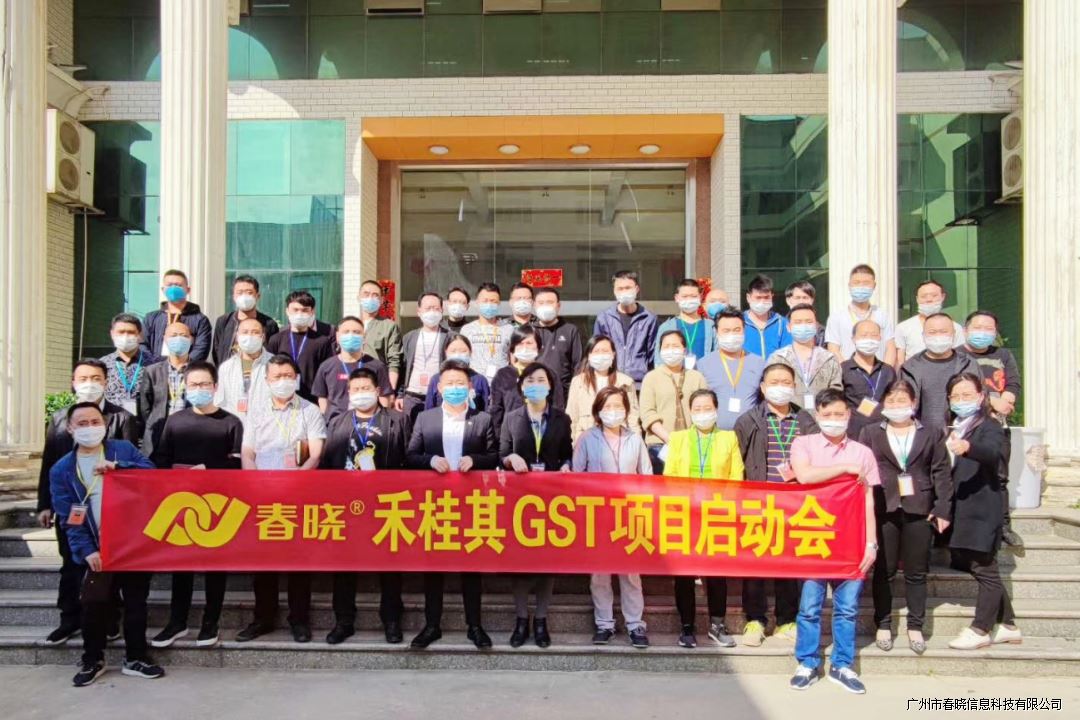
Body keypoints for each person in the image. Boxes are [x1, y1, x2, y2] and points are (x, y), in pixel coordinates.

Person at [50, 402, 161, 686]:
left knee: (136, 603)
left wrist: (120, 468)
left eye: (95, 422)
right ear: (70, 428)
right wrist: (87, 550)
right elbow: (69, 518)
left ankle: (136, 658)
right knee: (94, 605)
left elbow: (152, 475)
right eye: (82, 423)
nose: (90, 428)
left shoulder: (122, 450)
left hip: (131, 545)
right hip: (96, 548)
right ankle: (92, 659)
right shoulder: (62, 470)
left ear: (104, 423)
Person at [37, 360, 137, 646]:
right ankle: (69, 619)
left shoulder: (121, 417)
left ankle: (109, 619)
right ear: (73, 382)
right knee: (71, 563)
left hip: (110, 509)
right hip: (71, 505)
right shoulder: (60, 418)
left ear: (106, 382)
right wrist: (44, 503)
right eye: (83, 378)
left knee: (109, 564)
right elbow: (49, 462)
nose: (89, 383)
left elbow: (133, 465)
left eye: (95, 378)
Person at [788, 388, 879, 695]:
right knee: (809, 607)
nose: (834, 419)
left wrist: (871, 543)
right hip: (814, 538)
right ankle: (807, 662)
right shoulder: (804, 444)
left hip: (851, 541)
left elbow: (868, 500)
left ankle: (842, 665)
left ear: (849, 415)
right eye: (827, 415)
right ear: (817, 416)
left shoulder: (863, 452)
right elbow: (804, 476)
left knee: (848, 608)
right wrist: (843, 468)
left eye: (840, 414)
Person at [405, 360, 499, 649]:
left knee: (471, 567)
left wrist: (476, 460)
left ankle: (475, 626)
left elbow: (494, 455)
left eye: (461, 383)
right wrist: (430, 460)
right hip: (436, 503)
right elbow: (410, 455)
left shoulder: (482, 419)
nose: (455, 388)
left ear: (470, 387)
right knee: (433, 566)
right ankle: (432, 625)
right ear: (439, 387)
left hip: (471, 503)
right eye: (449, 383)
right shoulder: (426, 418)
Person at [149, 362, 244, 650]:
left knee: (215, 567)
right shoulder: (174, 421)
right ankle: (177, 622)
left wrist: (209, 470)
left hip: (219, 505)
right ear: (185, 388)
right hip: (181, 503)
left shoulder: (231, 422)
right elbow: (161, 459)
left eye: (204, 384)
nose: (199, 389)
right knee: (182, 566)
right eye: (193, 385)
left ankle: (210, 622)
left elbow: (238, 465)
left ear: (215, 387)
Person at [237, 355, 327, 644]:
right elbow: (248, 452)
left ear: (297, 378)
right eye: (276, 377)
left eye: (288, 376)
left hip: (299, 494)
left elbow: (315, 454)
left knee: (299, 561)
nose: (282, 381)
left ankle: (299, 620)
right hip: (263, 495)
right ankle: (263, 618)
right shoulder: (256, 411)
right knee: (263, 561)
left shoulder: (309, 410)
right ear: (267, 381)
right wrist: (255, 482)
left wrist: (295, 480)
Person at [857, 379, 951, 655]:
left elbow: (941, 472)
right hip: (883, 508)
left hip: (919, 507)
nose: (897, 405)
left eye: (902, 400)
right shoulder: (870, 432)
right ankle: (883, 623)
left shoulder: (931, 433)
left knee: (916, 572)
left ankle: (915, 625)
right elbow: (861, 469)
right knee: (883, 571)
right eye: (891, 400)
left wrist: (943, 507)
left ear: (914, 403)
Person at [321, 367, 410, 645]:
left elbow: (407, 458)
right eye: (356, 389)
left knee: (390, 564)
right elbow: (328, 462)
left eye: (366, 389)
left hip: (387, 503)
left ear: (377, 391)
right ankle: (343, 621)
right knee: (344, 564)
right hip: (347, 503)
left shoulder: (396, 420)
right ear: (348, 393)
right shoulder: (338, 422)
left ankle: (392, 619)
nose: (361, 394)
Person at [734, 363, 817, 646]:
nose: (780, 387)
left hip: (794, 504)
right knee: (754, 564)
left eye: (786, 382)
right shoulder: (748, 420)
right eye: (774, 382)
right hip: (757, 503)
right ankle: (755, 620)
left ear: (794, 386)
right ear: (763, 387)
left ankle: (786, 620)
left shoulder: (805, 421)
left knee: (788, 565)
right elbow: (738, 461)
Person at [944, 373, 1022, 650]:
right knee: (975, 565)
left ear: (980, 397)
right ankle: (1008, 625)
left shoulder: (988, 425)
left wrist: (969, 448)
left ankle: (981, 628)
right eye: (955, 396)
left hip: (982, 507)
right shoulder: (955, 426)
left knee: (984, 568)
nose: (961, 400)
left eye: (967, 395)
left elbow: (992, 453)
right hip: (962, 506)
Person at [498, 363, 573, 648]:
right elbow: (502, 453)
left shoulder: (561, 419)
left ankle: (541, 620)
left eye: (541, 380)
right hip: (520, 501)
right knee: (520, 563)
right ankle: (521, 619)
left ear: (550, 386)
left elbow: (567, 453)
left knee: (547, 563)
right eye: (530, 380)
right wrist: (510, 459)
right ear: (521, 387)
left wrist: (566, 465)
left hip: (552, 501)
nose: (536, 385)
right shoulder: (511, 418)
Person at [663, 389, 744, 649]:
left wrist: (721, 506)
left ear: (716, 409)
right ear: (690, 412)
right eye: (697, 409)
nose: (702, 413)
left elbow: (736, 477)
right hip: (685, 515)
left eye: (707, 408)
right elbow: (669, 477)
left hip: (717, 514)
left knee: (716, 573)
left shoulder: (728, 438)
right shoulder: (678, 439)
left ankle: (717, 624)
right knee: (684, 573)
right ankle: (687, 626)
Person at [572, 385, 652, 649]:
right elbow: (576, 477)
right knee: (600, 573)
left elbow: (647, 476)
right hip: (597, 515)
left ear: (626, 410)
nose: (613, 411)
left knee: (631, 573)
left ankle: (635, 624)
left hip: (629, 515)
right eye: (608, 406)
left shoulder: (635, 440)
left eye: (618, 406)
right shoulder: (587, 439)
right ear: (598, 411)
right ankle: (604, 623)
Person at [963, 310, 1023, 547]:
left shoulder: (1003, 355)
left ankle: (1003, 525)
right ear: (966, 330)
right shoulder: (957, 355)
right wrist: (991, 401)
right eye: (977, 327)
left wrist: (1007, 399)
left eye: (988, 329)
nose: (983, 333)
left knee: (1000, 476)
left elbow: (1013, 383)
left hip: (997, 425)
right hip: (967, 425)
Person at [639, 330, 709, 473]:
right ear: (660, 351)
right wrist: (670, 439)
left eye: (675, 346)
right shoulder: (651, 378)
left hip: (692, 443)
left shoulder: (697, 377)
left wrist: (688, 440)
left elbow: (705, 408)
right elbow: (647, 413)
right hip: (659, 444)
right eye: (666, 346)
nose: (671, 350)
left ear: (684, 350)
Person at [899, 313, 979, 430]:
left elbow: (981, 399)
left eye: (944, 332)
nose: (938, 336)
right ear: (923, 335)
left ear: (954, 334)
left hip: (964, 433)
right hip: (922, 435)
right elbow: (905, 406)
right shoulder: (910, 368)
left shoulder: (968, 363)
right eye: (932, 332)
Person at [312, 316, 393, 423]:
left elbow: (384, 396)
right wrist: (326, 419)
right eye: (346, 332)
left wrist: (381, 422)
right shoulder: (326, 366)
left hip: (369, 424)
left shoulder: (377, 366)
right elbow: (322, 397)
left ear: (364, 336)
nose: (351, 336)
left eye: (356, 332)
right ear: (337, 336)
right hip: (335, 424)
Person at [697, 310, 766, 430]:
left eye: (736, 330)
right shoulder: (703, 364)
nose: (732, 335)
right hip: (716, 434)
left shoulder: (759, 363)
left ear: (744, 331)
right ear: (717, 332)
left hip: (751, 434)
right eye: (726, 330)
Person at [767, 304, 842, 414]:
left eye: (808, 322)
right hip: (789, 419)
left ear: (816, 326)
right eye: (798, 322)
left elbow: (836, 394)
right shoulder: (777, 358)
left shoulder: (829, 359)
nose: (803, 326)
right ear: (788, 327)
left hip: (821, 420)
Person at [488, 325, 565, 432]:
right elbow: (496, 410)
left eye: (529, 343)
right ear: (513, 348)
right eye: (520, 344)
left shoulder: (549, 374)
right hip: (512, 435)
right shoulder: (503, 375)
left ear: (538, 346)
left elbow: (558, 407)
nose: (525, 348)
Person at [565, 335, 641, 441]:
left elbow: (633, 418)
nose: (601, 355)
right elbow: (572, 417)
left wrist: (636, 442)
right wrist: (573, 444)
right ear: (589, 355)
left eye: (605, 351)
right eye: (596, 351)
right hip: (586, 441)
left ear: (613, 354)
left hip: (619, 441)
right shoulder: (578, 382)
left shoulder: (626, 382)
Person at [265, 290, 335, 403]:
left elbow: (327, 374)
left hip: (312, 401)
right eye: (295, 310)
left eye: (304, 310)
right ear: (287, 311)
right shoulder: (276, 339)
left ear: (312, 312)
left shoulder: (322, 341)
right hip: (281, 398)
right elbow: (268, 369)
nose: (299, 314)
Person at [137, 322, 194, 458]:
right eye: (173, 335)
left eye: (183, 335)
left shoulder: (201, 369)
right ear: (165, 339)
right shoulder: (152, 371)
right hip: (158, 435)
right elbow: (145, 407)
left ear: (191, 340)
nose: (178, 339)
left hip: (191, 433)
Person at [592, 269, 657, 385]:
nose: (624, 292)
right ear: (614, 291)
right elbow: (598, 351)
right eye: (620, 289)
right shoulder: (604, 318)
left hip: (639, 384)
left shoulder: (648, 319)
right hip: (611, 382)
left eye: (628, 288)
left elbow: (653, 355)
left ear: (637, 289)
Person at [397, 292, 451, 425]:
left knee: (436, 431)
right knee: (410, 433)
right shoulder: (409, 337)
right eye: (428, 308)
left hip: (439, 395)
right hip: (412, 396)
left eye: (436, 308)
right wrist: (400, 394)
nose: (432, 312)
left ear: (442, 311)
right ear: (419, 311)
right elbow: (403, 367)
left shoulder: (450, 337)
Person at [824, 265, 896, 364]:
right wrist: (847, 371)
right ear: (849, 285)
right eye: (856, 283)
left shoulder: (882, 316)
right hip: (846, 371)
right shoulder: (836, 317)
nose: (861, 287)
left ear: (874, 286)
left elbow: (890, 347)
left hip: (879, 371)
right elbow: (833, 349)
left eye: (866, 283)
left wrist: (886, 370)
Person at [840, 319, 898, 438]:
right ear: (853, 339)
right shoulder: (843, 370)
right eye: (864, 335)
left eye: (874, 335)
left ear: (880, 338)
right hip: (853, 433)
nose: (869, 339)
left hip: (883, 433)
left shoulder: (887, 370)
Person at [142, 269, 212, 361]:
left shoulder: (200, 320)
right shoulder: (151, 318)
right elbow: (142, 344)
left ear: (188, 290)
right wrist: (155, 365)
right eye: (169, 285)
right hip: (155, 366)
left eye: (178, 285)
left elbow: (201, 348)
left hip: (188, 367)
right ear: (163, 290)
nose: (173, 288)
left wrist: (182, 365)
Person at [211, 275, 280, 366]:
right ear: (234, 296)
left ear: (258, 296)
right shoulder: (223, 321)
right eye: (239, 293)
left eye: (249, 292)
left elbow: (273, 352)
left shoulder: (269, 324)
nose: (244, 297)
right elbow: (217, 351)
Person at [893, 279, 965, 366]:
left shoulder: (955, 327)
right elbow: (900, 361)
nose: (929, 299)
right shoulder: (903, 327)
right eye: (924, 296)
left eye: (934, 295)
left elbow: (960, 358)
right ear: (917, 299)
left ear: (943, 297)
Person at [533, 287, 582, 408]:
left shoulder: (570, 330)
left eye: (550, 302)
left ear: (558, 305)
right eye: (541, 303)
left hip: (563, 394)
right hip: (534, 392)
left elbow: (578, 364)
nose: (545, 306)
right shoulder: (529, 331)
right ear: (534, 305)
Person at [213, 317, 271, 419]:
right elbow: (219, 402)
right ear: (237, 337)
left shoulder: (275, 365)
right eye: (245, 332)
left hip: (266, 424)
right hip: (235, 423)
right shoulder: (226, 368)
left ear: (263, 337)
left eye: (255, 332)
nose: (250, 336)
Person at [100, 313, 158, 415]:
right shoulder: (102, 364)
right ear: (112, 334)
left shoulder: (154, 364)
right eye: (121, 332)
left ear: (139, 335)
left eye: (131, 332)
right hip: (112, 421)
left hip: (146, 421)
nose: (125, 336)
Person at [653, 278, 716, 370]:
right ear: (676, 298)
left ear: (700, 297)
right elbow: (659, 360)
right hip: (675, 376)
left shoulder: (710, 326)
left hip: (703, 376)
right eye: (685, 296)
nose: (689, 300)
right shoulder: (666, 327)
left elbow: (717, 357)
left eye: (693, 296)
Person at [460, 281, 514, 381]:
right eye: (485, 301)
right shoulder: (466, 330)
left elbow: (513, 359)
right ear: (477, 302)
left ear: (499, 303)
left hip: (501, 383)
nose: (489, 304)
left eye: (493, 301)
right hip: (475, 382)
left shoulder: (508, 329)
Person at [423, 334, 492, 412]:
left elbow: (485, 410)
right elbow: (428, 411)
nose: (458, 354)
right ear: (446, 352)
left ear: (470, 352)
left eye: (463, 351)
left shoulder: (480, 380)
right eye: (453, 351)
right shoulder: (436, 379)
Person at [357, 279, 403, 389]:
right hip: (352, 384)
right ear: (358, 297)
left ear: (381, 300)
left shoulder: (389, 326)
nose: (370, 298)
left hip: (377, 384)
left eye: (375, 295)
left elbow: (394, 361)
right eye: (366, 294)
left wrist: (390, 389)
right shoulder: (351, 325)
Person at [743, 274, 792, 358]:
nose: (762, 301)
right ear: (748, 297)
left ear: (772, 296)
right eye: (758, 297)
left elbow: (788, 353)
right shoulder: (739, 322)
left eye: (766, 297)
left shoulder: (782, 323)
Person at [784, 280, 825, 347]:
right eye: (797, 298)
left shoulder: (820, 331)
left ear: (812, 300)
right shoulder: (779, 327)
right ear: (788, 301)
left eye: (805, 298)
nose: (801, 301)